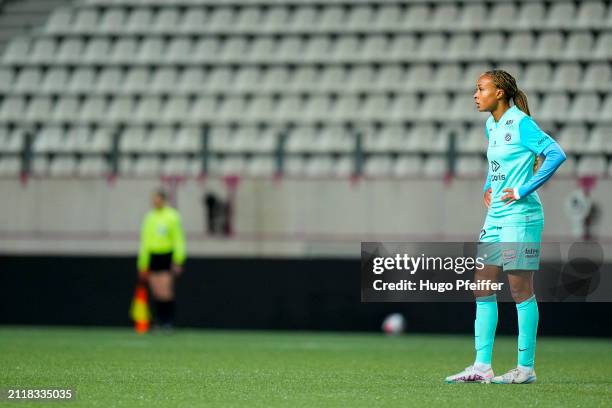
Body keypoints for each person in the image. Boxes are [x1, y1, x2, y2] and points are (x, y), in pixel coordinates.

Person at [445, 70, 566, 384]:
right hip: (497, 215)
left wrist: (524, 188)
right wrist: (488, 184)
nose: (475, 94)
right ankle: (481, 366)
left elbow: (556, 153)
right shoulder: (491, 124)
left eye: (481, 89)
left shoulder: (521, 123)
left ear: (499, 93)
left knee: (519, 288)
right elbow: (497, 163)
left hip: (521, 216)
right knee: (482, 284)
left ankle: (525, 368)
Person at [138, 189, 186, 330]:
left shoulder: (172, 216)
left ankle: (168, 321)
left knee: (165, 290)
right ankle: (159, 321)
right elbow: (145, 242)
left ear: (163, 200)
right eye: (153, 199)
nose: (155, 201)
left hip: (166, 255)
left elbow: (178, 239)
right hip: (152, 256)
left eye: (157, 199)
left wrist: (178, 259)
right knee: (156, 291)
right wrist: (143, 264)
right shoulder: (149, 218)